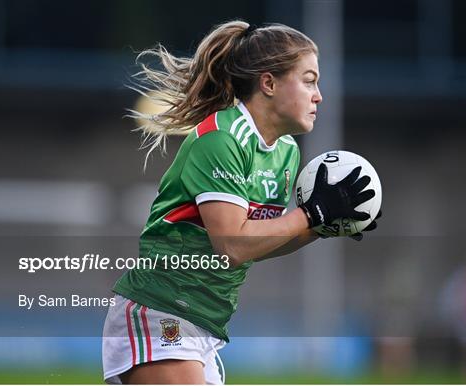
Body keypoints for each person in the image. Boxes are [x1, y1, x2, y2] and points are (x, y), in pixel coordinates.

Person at [102, 20, 380, 384]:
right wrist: (312, 214)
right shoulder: (222, 138)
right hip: (161, 310)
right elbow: (232, 244)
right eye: (309, 80)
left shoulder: (285, 153)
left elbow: (258, 243)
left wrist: (320, 227)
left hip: (204, 324)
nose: (319, 95)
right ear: (268, 83)